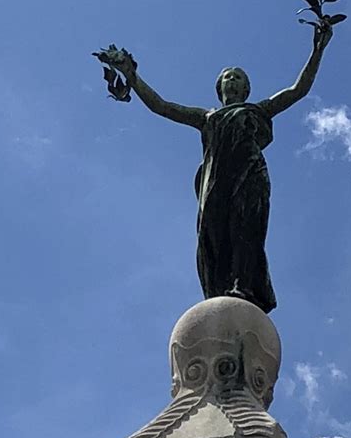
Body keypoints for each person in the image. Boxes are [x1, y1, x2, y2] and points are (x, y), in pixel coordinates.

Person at [100, 22, 333, 313]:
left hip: (249, 177)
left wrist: (318, 49)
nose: (233, 81)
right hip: (215, 183)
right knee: (214, 236)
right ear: (219, 87)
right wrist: (130, 74)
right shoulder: (207, 117)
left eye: (238, 78)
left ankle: (243, 286)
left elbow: (298, 90)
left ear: (246, 89)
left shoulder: (258, 110)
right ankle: (221, 290)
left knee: (245, 230)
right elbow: (161, 106)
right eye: (228, 77)